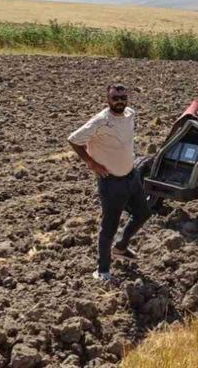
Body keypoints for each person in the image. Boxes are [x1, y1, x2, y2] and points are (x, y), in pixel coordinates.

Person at [68, 83, 151, 282]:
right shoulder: (100, 121)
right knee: (109, 227)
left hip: (131, 176)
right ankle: (102, 270)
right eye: (115, 98)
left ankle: (120, 247)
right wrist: (91, 163)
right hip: (111, 182)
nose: (120, 101)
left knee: (144, 213)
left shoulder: (130, 113)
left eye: (123, 97)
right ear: (108, 99)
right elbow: (74, 139)